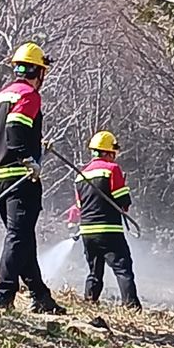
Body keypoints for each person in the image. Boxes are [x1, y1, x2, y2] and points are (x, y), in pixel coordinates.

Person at [0, 42, 66, 314]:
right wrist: (27, 158)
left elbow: (8, 132)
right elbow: (16, 128)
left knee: (23, 237)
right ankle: (3, 295)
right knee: (18, 237)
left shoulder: (1, 96)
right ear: (39, 72)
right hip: (19, 177)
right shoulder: (29, 95)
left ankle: (40, 296)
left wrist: (37, 144)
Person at [73, 131, 141, 310]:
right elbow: (123, 201)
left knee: (94, 271)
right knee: (123, 268)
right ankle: (131, 306)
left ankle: (90, 301)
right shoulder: (112, 169)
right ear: (108, 152)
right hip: (109, 229)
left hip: (87, 230)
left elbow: (80, 205)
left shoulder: (80, 175)